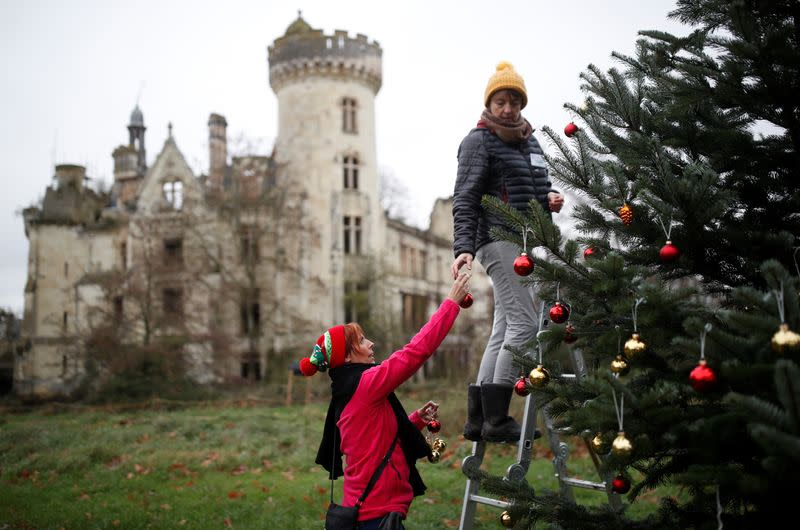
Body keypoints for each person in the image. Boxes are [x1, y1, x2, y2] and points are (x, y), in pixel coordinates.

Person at [299, 273, 471, 530]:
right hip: (376, 516)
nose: (371, 343)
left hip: (366, 510)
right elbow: (415, 352)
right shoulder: (366, 383)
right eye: (361, 341)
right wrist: (451, 303)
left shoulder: (345, 390)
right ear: (346, 357)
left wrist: (414, 420)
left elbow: (371, 437)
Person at [451, 61, 564, 443]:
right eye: (500, 100)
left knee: (504, 327)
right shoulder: (478, 141)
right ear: (490, 102)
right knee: (525, 324)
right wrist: (463, 248)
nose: (507, 108)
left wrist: (549, 198)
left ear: (522, 103)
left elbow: (539, 186)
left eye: (514, 101)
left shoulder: (530, 141)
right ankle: (498, 420)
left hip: (527, 241)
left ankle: (479, 420)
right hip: (498, 239)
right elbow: (465, 198)